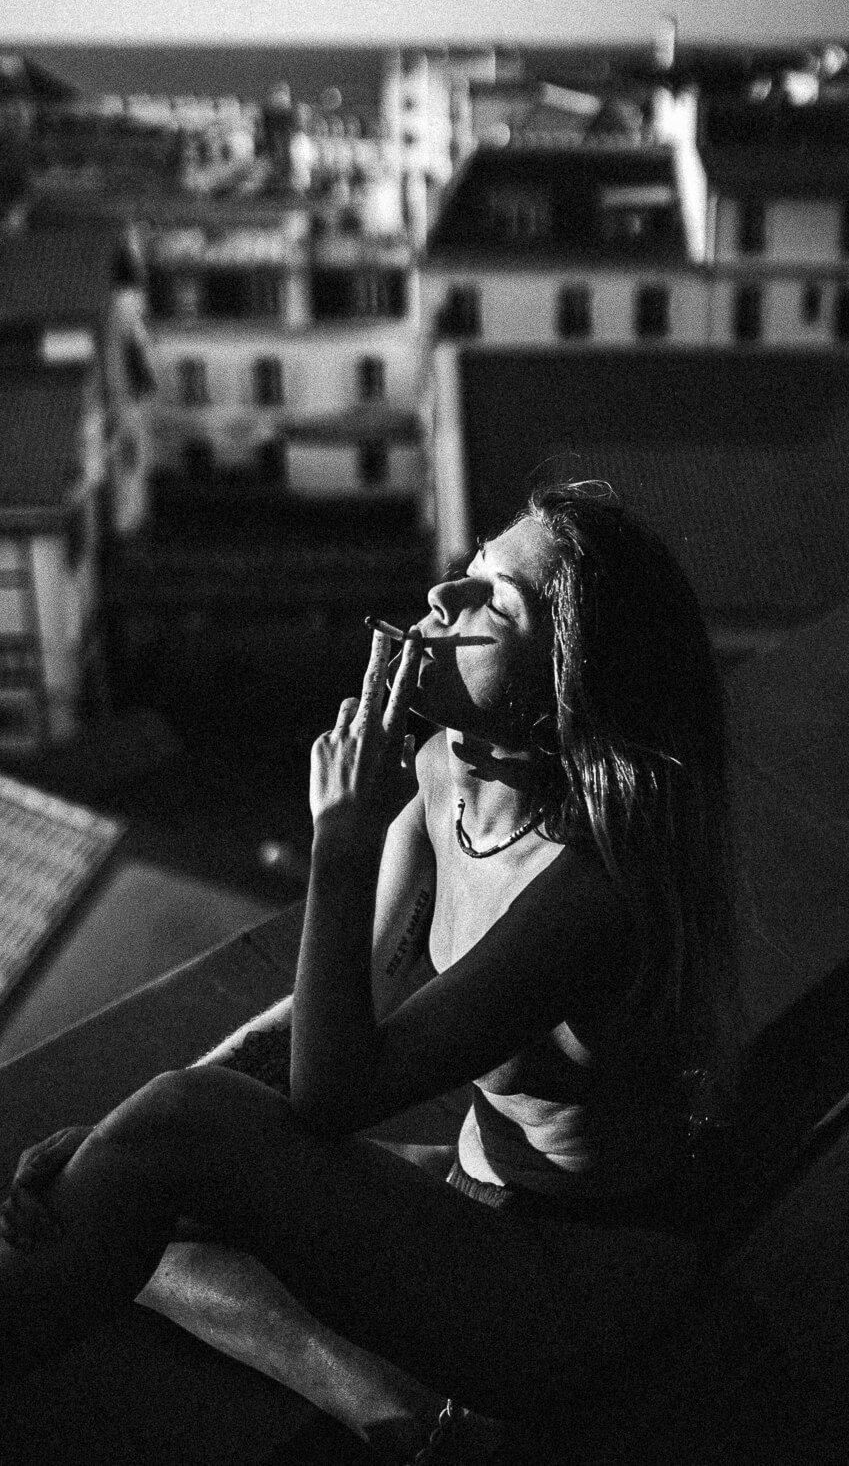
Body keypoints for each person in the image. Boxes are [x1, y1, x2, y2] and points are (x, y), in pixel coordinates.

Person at [0, 481, 742, 1458]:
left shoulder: (590, 891)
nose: (444, 600)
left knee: (178, 1133)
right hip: (471, 1193)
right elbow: (326, 1008)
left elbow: (333, 1090)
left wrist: (342, 840)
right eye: (467, 571)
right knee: (138, 1202)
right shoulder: (448, 777)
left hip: (576, 1274)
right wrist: (106, 1133)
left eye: (493, 604)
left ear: (564, 683)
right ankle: (396, 1412)